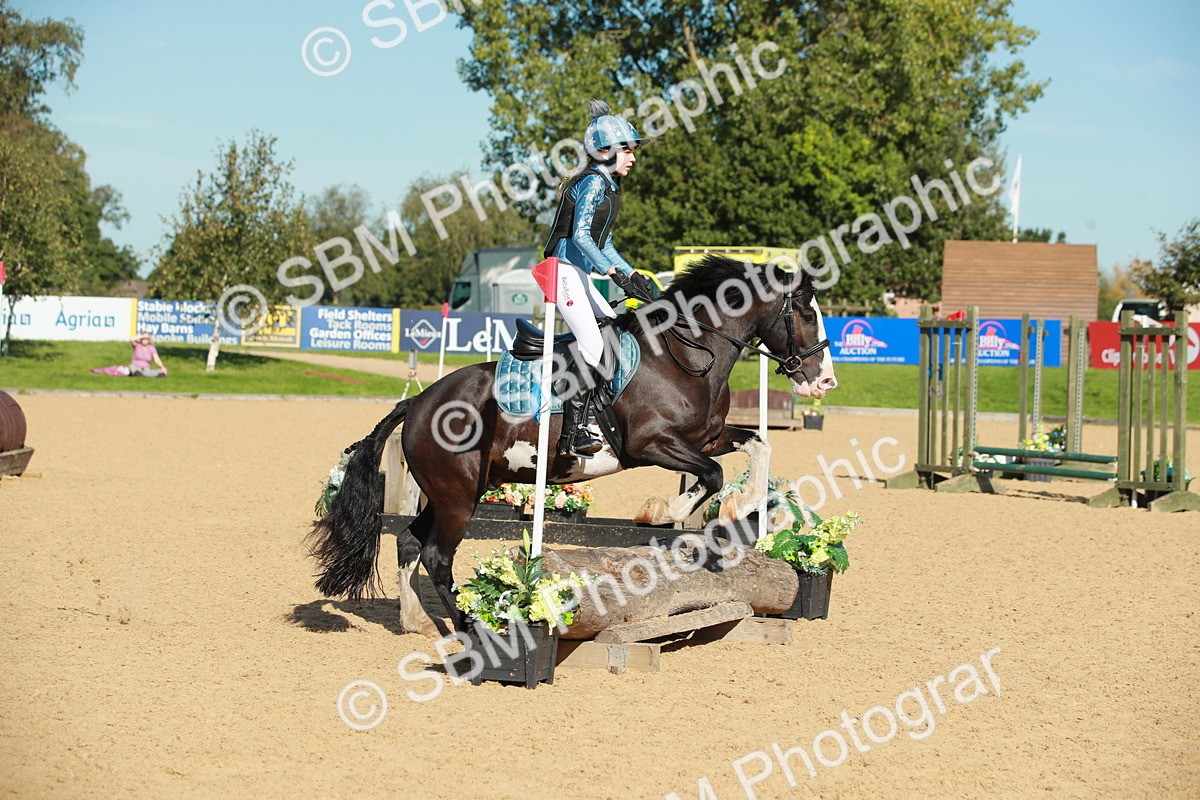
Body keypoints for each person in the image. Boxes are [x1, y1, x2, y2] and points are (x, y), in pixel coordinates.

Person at [543, 99, 659, 458]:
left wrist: (631, 274)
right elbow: (580, 237)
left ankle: (592, 409)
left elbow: (604, 243)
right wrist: (613, 274)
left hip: (577, 272)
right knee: (594, 345)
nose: (633, 158)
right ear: (604, 151)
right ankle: (572, 433)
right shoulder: (593, 183)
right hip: (562, 271)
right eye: (627, 150)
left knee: (612, 326)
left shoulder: (607, 187)